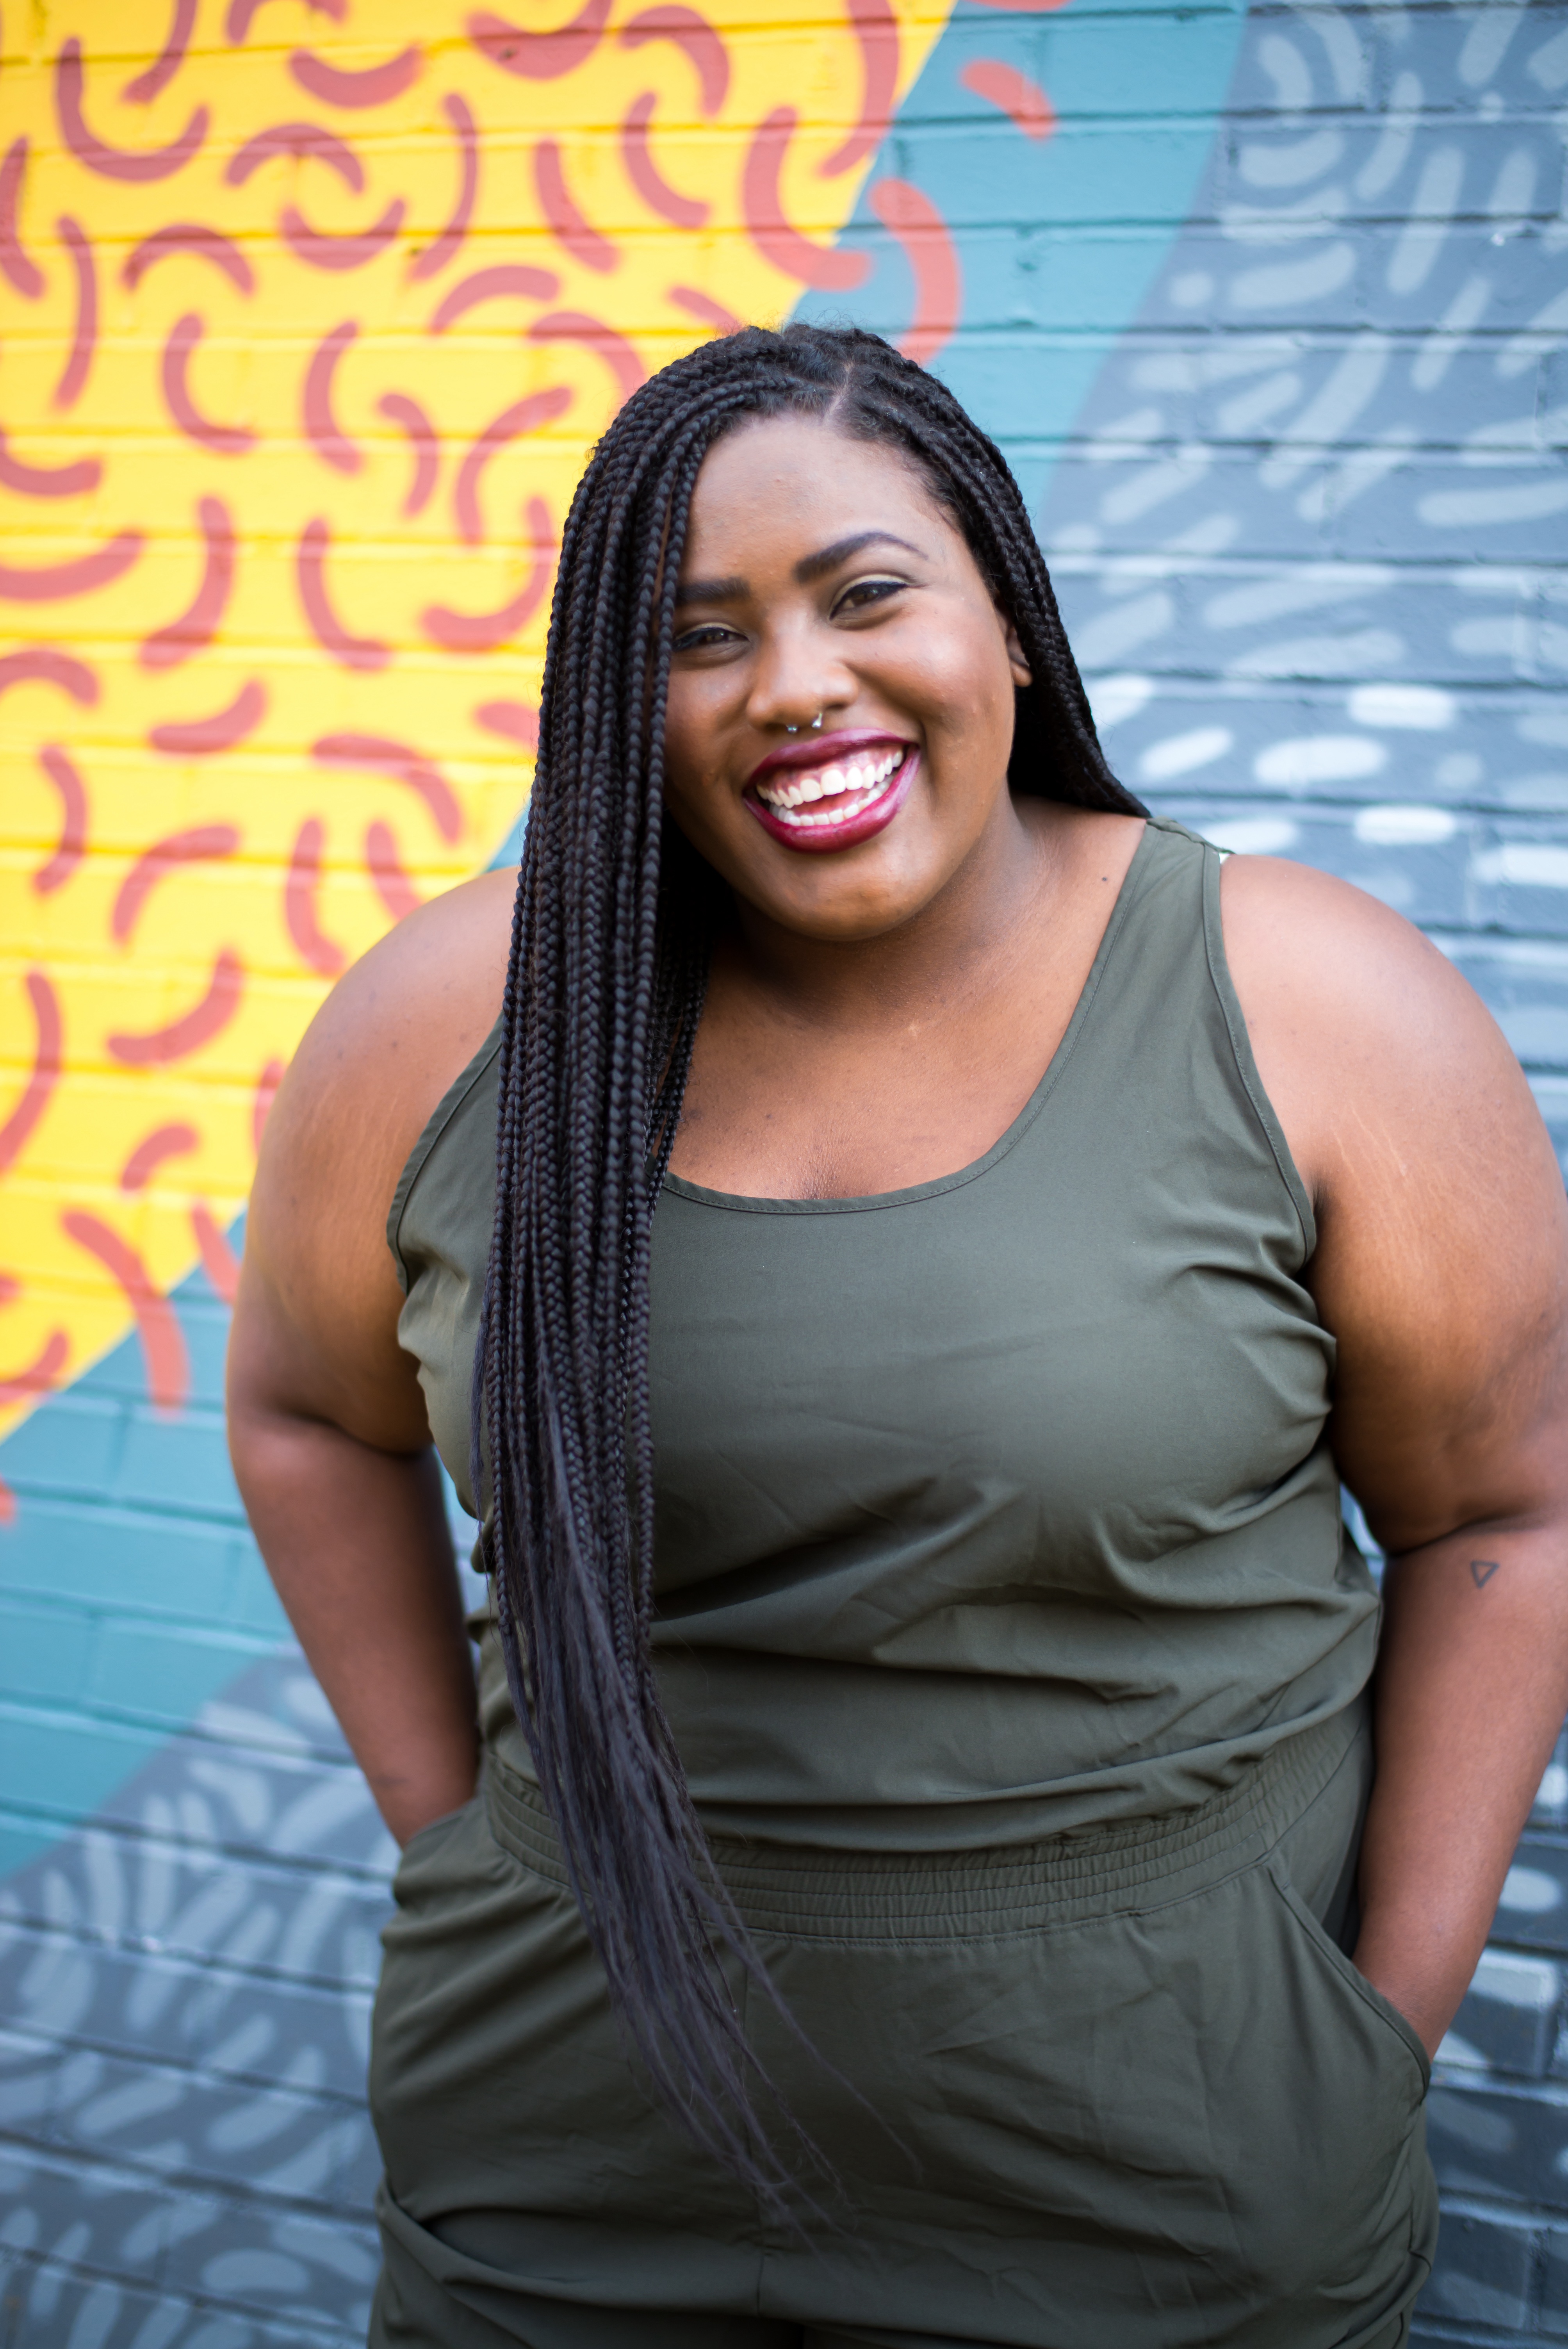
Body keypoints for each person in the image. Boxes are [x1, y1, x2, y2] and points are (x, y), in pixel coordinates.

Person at [228, 324, 1568, 2349]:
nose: (793, 685)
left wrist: (1379, 2032)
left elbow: (1505, 1520)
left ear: (1007, 621)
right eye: (698, 637)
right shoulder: (448, 1027)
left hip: (1182, 2181)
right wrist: (463, 1845)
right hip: (568, 2164)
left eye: (866, 593)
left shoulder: (1314, 1007)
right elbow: (309, 1418)